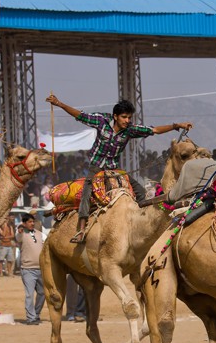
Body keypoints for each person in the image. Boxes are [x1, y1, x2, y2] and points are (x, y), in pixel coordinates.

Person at [45, 94, 193, 243]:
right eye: (124, 117)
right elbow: (80, 115)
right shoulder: (101, 121)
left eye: (129, 117)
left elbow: (153, 130)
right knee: (86, 193)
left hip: (114, 171)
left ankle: (142, 225)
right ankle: (81, 229)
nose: (127, 121)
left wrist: (176, 126)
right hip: (96, 168)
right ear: (115, 116)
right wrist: (59, 103)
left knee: (140, 191)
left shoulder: (130, 130)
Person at [16, 213, 45, 325]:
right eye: (29, 222)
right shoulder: (21, 234)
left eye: (33, 221)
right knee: (29, 294)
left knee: (42, 293)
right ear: (24, 223)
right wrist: (20, 228)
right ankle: (30, 318)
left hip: (41, 269)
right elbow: (18, 237)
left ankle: (36, 314)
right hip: (28, 269)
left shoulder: (40, 234)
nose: (32, 223)